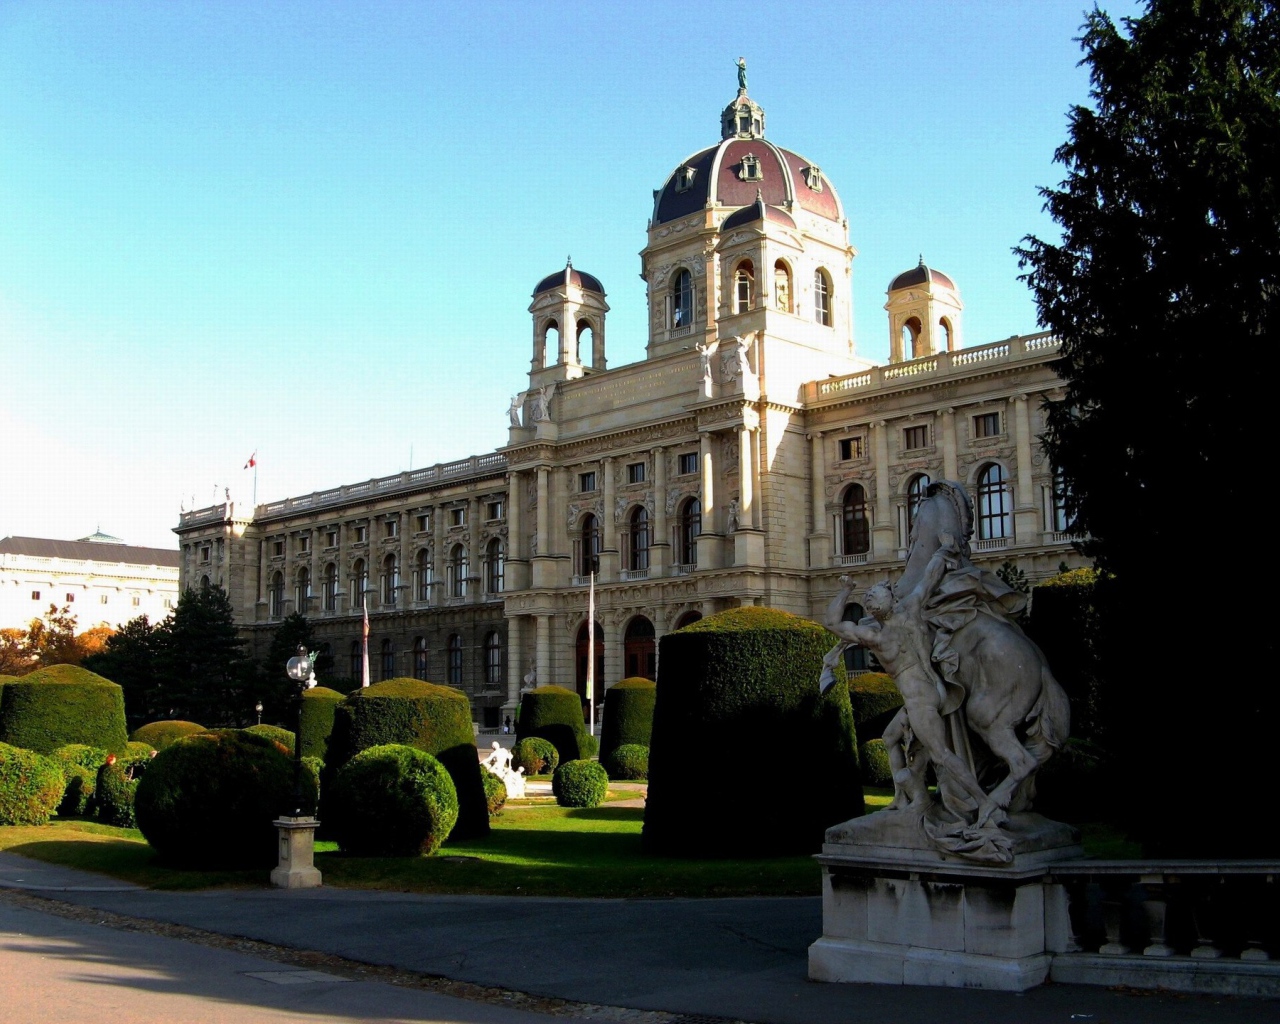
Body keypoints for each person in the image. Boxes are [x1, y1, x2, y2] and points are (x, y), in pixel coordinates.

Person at [823, 535, 988, 819]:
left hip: (920, 699)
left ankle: (985, 803)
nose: (868, 597)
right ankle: (906, 797)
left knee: (942, 755)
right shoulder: (879, 631)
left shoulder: (894, 622)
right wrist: (846, 591)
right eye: (867, 597)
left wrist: (945, 550)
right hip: (928, 691)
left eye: (874, 592)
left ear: (891, 597)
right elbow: (832, 624)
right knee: (889, 738)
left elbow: (930, 578)